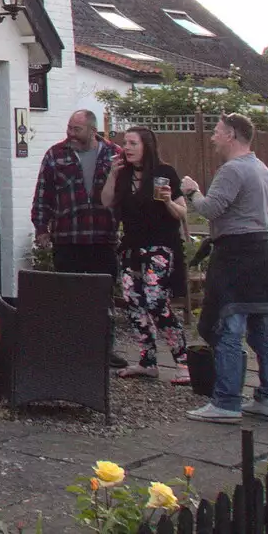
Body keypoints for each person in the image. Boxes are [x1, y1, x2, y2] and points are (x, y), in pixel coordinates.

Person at [179, 113, 268, 423]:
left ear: (231, 134)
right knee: (262, 328)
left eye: (216, 132)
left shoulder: (232, 170)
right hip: (263, 253)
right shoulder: (260, 167)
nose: (213, 138)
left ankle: (227, 402)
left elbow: (210, 208)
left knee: (229, 327)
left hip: (238, 255)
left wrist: (191, 191)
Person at [32, 108, 125, 365]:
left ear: (92, 131)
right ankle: (71, 348)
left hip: (103, 236)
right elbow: (43, 193)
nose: (70, 133)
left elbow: (127, 193)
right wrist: (41, 228)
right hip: (68, 236)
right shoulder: (56, 154)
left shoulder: (113, 154)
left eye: (76, 129)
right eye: (69, 128)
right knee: (68, 296)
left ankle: (104, 349)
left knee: (102, 296)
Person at [101, 126, 189, 382]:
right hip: (131, 247)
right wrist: (111, 175)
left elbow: (182, 213)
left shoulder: (164, 172)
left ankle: (183, 362)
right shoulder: (124, 175)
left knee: (155, 300)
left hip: (160, 246)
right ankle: (147, 361)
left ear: (146, 146)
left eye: (132, 143)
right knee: (134, 302)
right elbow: (106, 201)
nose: (126, 148)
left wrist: (168, 201)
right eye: (125, 143)